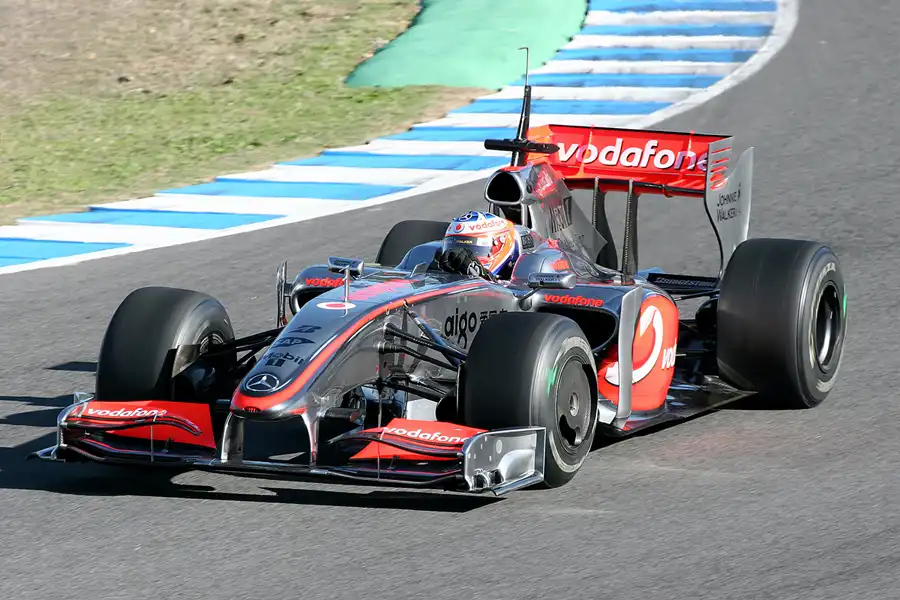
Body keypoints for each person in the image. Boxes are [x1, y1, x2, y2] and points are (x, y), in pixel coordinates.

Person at [438, 211, 523, 281]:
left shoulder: (523, 282)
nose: (461, 260)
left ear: (500, 243)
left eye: (475, 249)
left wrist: (483, 276)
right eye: (452, 246)